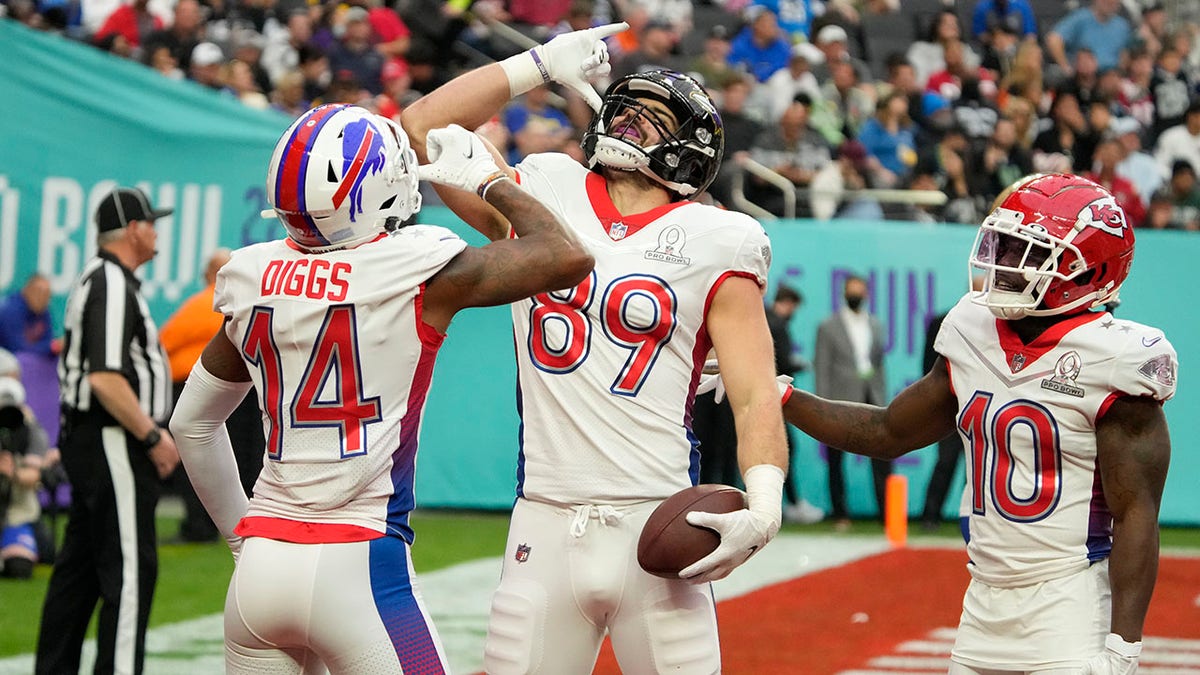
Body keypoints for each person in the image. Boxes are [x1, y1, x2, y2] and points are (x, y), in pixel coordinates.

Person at [400, 24, 790, 674]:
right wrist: (537, 63)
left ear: (691, 149)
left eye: (654, 116)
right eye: (627, 107)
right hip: (545, 519)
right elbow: (421, 126)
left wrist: (766, 505)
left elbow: (753, 393)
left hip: (659, 515)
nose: (630, 121)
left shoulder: (722, 236)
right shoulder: (547, 185)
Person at [168, 104, 592, 674]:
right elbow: (567, 255)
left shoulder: (250, 276)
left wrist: (242, 542)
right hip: (360, 561)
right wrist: (489, 181)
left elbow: (191, 424)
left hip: (262, 566)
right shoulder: (415, 266)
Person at [780, 173, 1174, 673]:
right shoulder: (971, 327)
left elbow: (1136, 512)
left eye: (1027, 251)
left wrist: (1123, 647)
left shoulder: (1117, 357)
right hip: (982, 603)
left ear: (1086, 270)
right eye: (1004, 245)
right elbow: (888, 432)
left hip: (1070, 603)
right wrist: (780, 396)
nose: (1004, 262)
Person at [36, 186, 181, 675]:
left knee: (77, 574)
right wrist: (151, 436)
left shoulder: (103, 279)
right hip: (113, 439)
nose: (157, 232)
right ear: (133, 229)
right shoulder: (111, 281)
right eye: (151, 223)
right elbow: (105, 378)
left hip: (96, 439)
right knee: (130, 572)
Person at [159, 248, 264, 543]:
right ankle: (243, 524)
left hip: (205, 391)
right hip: (247, 391)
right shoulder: (246, 301)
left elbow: (163, 343)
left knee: (200, 454)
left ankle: (201, 526)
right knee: (243, 460)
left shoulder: (204, 304)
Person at [814, 274, 891, 529]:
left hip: (872, 397)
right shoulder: (828, 326)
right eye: (852, 291)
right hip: (839, 399)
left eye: (860, 291)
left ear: (866, 294)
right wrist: (822, 405)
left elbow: (879, 365)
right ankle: (841, 513)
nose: (856, 295)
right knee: (836, 460)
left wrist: (882, 397)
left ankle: (887, 514)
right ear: (844, 294)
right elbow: (822, 367)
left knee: (882, 456)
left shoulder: (876, 324)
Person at [765, 284, 822, 524]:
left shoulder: (763, 320)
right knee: (784, 449)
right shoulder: (778, 325)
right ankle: (789, 503)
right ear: (788, 303)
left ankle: (783, 502)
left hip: (759, 395)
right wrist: (799, 365)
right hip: (771, 395)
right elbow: (783, 362)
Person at [0, 375, 51, 579]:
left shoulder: (31, 431)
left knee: (19, 567)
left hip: (17, 514)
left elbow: (34, 476)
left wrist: (12, 473)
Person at [0, 272, 55, 357]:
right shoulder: (10, 310)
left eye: (46, 294)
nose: (42, 297)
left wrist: (52, 347)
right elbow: (17, 348)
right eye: (38, 292)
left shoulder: (44, 312)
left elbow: (48, 341)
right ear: (26, 290)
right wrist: (51, 347)